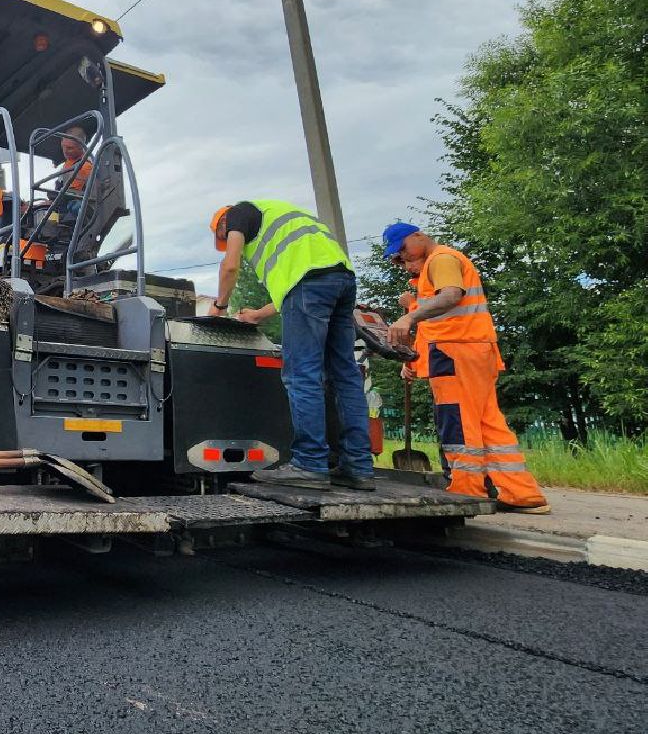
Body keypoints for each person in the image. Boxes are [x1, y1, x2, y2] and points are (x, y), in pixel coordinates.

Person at [382, 223, 551, 514]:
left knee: (459, 422)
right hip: (473, 349)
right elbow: (436, 324)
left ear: (418, 236)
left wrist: (408, 317)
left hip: (455, 351)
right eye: (397, 256)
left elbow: (451, 296)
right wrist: (414, 354)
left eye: (403, 249)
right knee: (488, 423)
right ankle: (521, 494)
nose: (403, 257)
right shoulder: (437, 264)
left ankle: (466, 490)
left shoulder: (442, 259)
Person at [209, 200, 373, 491]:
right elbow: (304, 289)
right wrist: (258, 314)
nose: (235, 245)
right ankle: (358, 468)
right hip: (342, 281)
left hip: (310, 284)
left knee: (301, 375)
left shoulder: (237, 213)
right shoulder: (284, 217)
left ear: (223, 224)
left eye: (224, 237)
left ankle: (309, 465)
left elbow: (230, 266)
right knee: (345, 376)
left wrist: (219, 307)